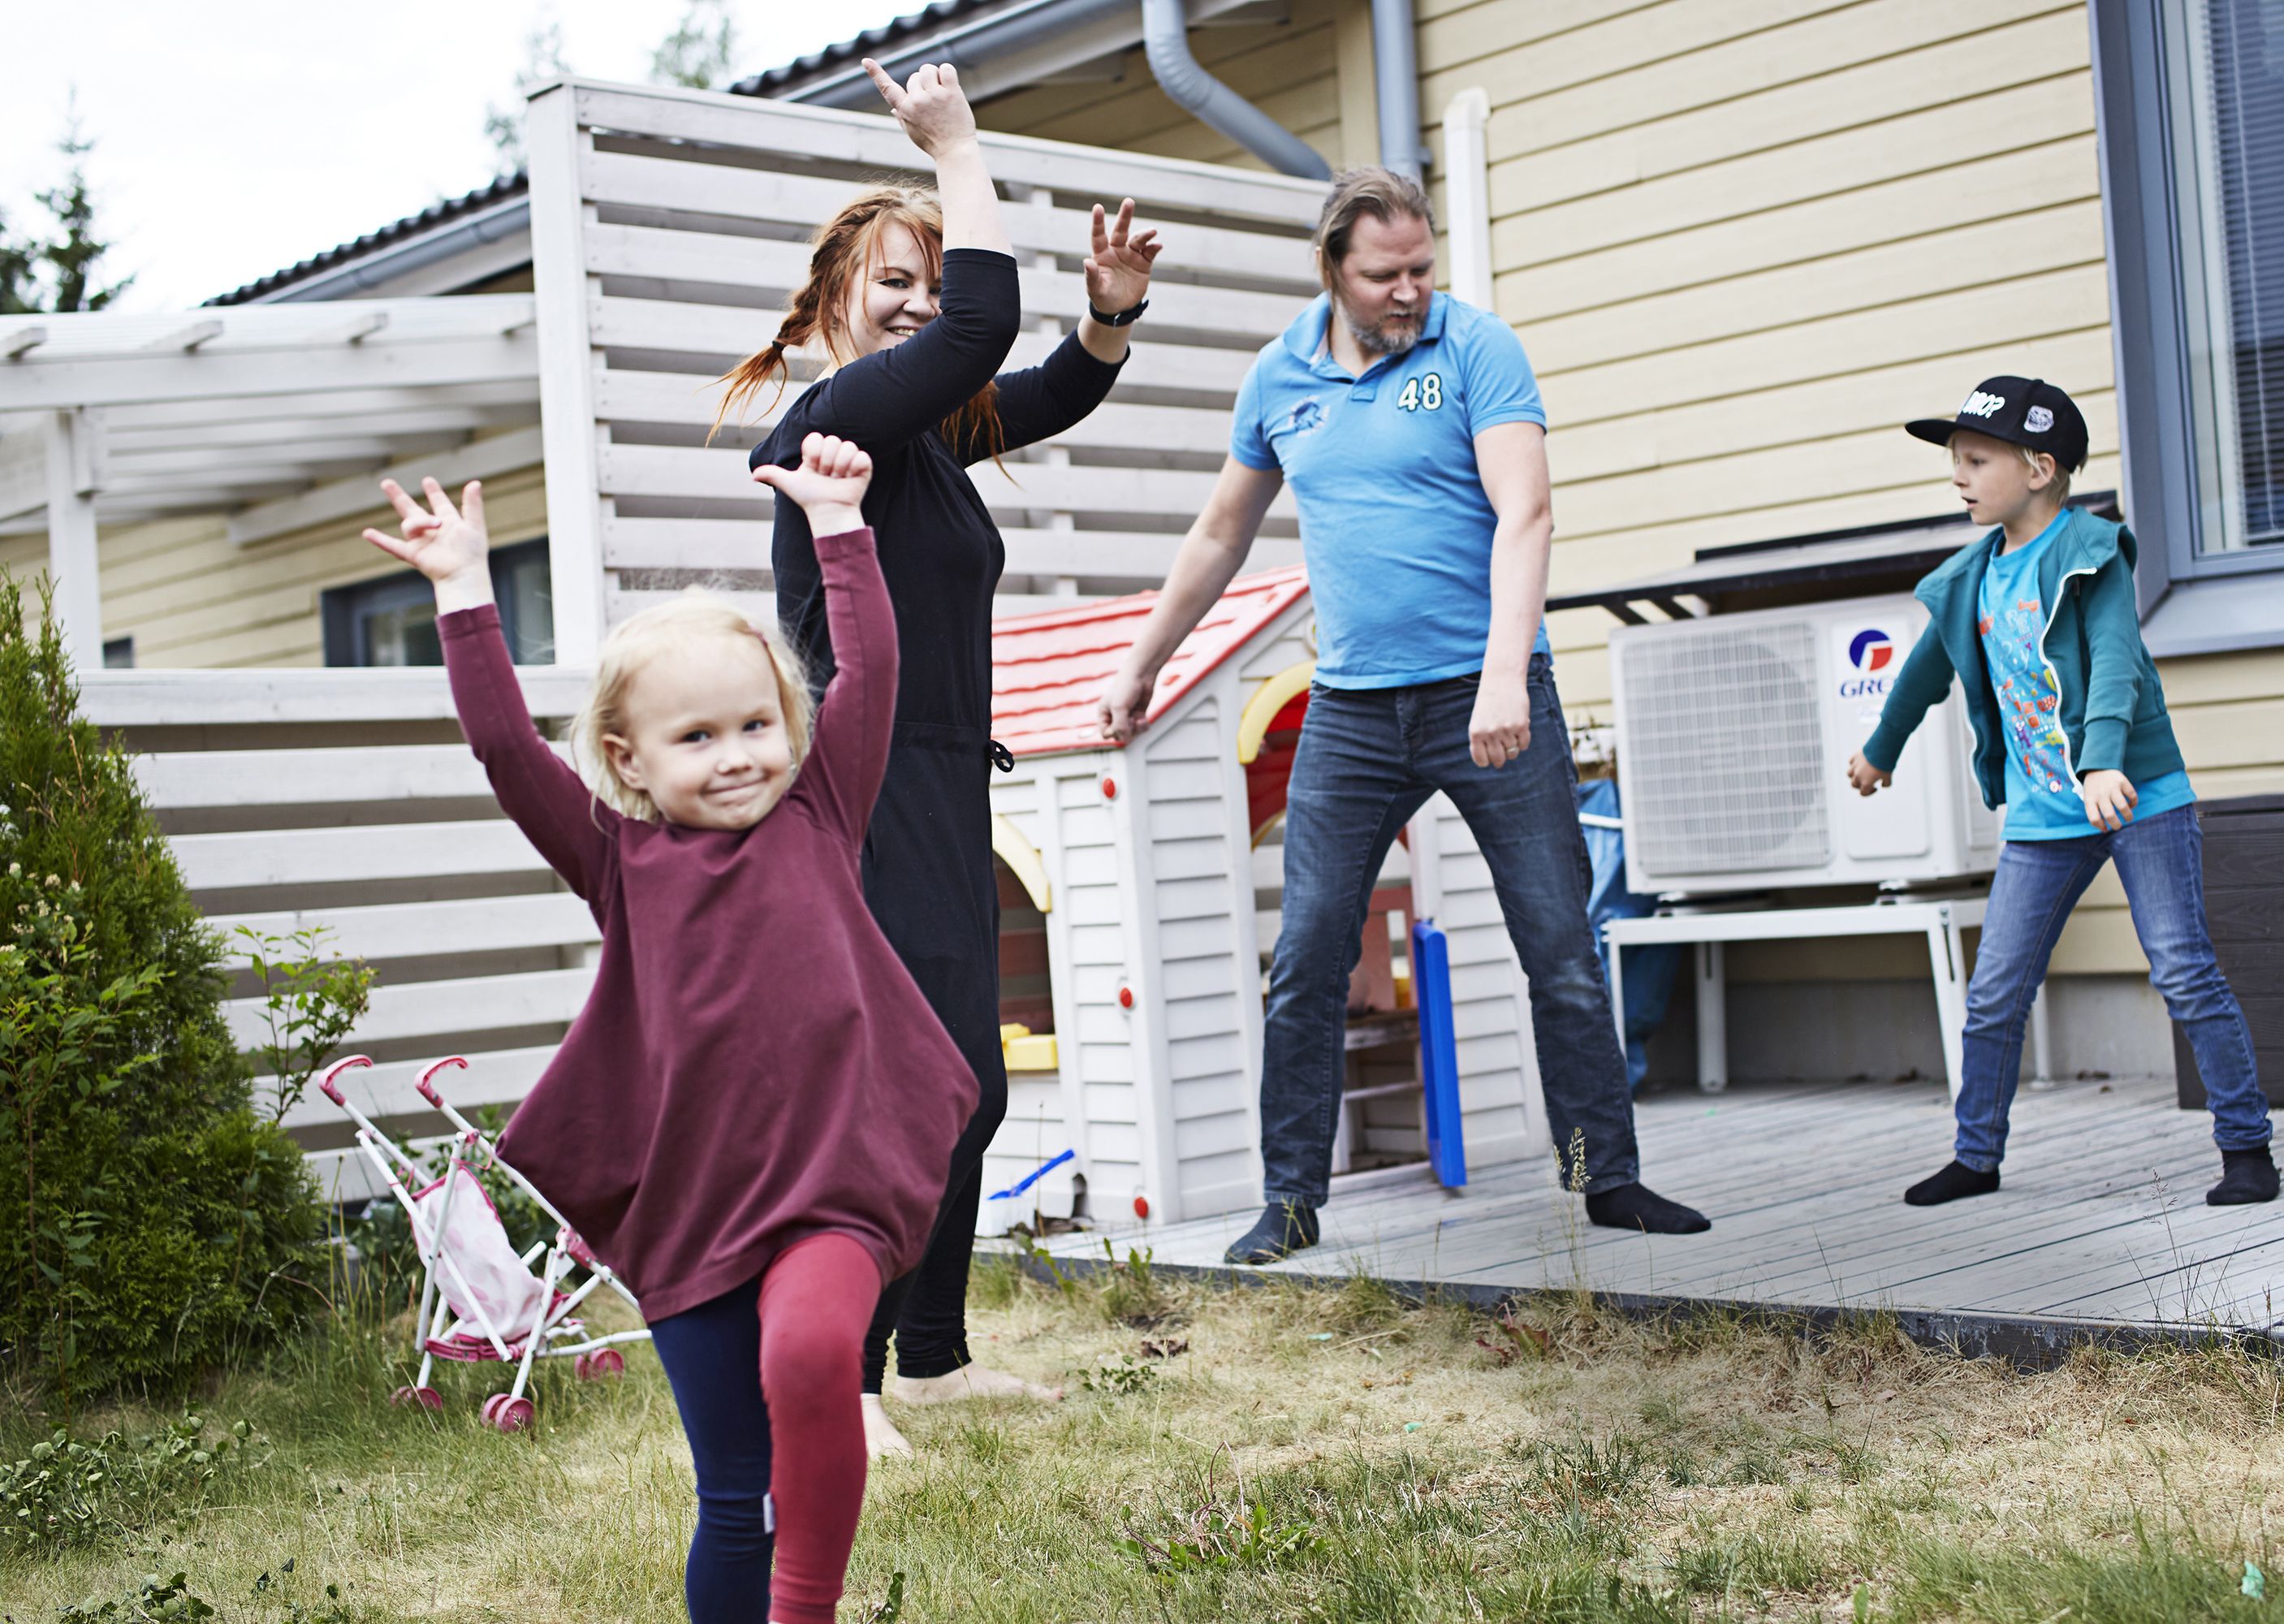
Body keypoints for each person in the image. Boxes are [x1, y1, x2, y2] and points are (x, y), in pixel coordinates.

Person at [360, 435, 974, 1624]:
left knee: (809, 1356)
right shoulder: (616, 857)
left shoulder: (823, 807)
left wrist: (843, 530)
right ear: (628, 761)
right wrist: (461, 593)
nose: (738, 757)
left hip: (832, 1190)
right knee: (734, 1493)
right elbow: (503, 748)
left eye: (756, 726)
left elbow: (875, 669)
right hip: (693, 1209)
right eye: (697, 740)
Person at [1096, 166, 1711, 1265]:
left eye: (1422, 267)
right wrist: (1143, 664)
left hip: (1490, 697)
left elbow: (1527, 512)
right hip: (1351, 711)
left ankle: (1607, 1179)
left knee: (1560, 944)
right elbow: (1219, 536)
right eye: (1386, 274)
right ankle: (1289, 1200)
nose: (1409, 290)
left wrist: (1501, 677)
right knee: (1309, 952)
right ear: (1334, 266)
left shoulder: (1477, 349)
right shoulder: (1281, 377)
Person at [712, 60, 1162, 1458]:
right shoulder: (833, 429)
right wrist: (957, 146)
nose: (915, 301)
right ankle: (833, 1390)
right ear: (836, 297)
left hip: (944, 778)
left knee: (968, 1078)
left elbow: (1053, 387)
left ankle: (937, 1356)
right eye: (890, 280)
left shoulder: (926, 447)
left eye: (925, 277)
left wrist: (1111, 312)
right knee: (908, 1082)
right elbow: (979, 330)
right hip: (858, 785)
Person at [1847, 375, 2278, 1208]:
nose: (1959, 476)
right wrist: (1880, 749)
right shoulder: (1972, 577)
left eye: (1976, 459)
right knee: (1995, 990)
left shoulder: (2092, 550)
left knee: (2184, 970)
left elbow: (2116, 659)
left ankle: (2247, 1146)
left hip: (2136, 792)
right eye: (1956, 461)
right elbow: (1924, 672)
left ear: (2040, 467)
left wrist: (2106, 759)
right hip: (2045, 815)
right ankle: (1976, 1155)